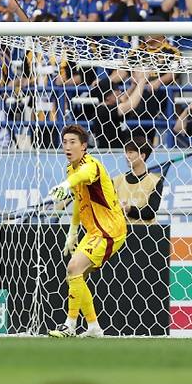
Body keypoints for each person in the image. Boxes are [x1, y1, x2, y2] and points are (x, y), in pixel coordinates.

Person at [47, 125, 127, 337]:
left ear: (83, 146)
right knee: (74, 275)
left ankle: (70, 325)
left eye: (73, 142)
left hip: (110, 230)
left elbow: (82, 176)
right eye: (65, 142)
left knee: (74, 268)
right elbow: (79, 199)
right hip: (94, 232)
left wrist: (65, 185)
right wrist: (73, 231)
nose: (67, 146)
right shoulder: (70, 169)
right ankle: (93, 327)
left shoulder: (91, 166)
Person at [91, 70, 150, 149]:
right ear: (107, 96)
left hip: (117, 151)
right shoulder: (103, 111)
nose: (119, 92)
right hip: (110, 153)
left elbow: (122, 99)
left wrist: (134, 85)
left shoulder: (108, 107)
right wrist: (142, 81)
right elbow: (131, 105)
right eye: (116, 90)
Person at [113, 138, 164, 225]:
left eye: (130, 152)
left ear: (142, 156)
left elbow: (150, 213)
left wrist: (129, 209)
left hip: (144, 230)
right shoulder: (117, 180)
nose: (127, 156)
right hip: (120, 229)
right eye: (126, 152)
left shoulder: (155, 182)